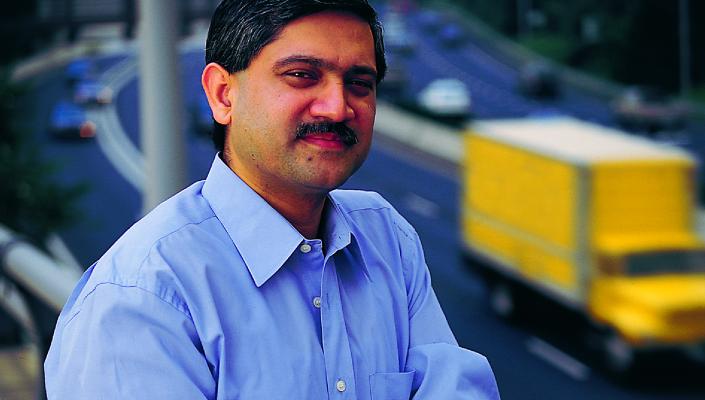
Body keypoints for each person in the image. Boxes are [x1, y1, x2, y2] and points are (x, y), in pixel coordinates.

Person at [44, 0, 500, 398]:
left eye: (359, 83)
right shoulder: (144, 299)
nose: (338, 107)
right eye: (302, 76)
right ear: (223, 95)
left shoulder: (388, 238)